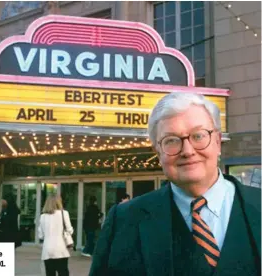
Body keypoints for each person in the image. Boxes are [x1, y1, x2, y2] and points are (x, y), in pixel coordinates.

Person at [90, 92, 261, 275]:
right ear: (158, 152)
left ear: (218, 142)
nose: (187, 151)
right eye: (171, 140)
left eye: (198, 136)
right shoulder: (123, 221)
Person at [38, 194, 74, 276]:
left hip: (47, 250)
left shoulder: (43, 216)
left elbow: (40, 235)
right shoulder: (64, 213)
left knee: (50, 273)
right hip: (61, 249)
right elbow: (69, 230)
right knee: (63, 272)